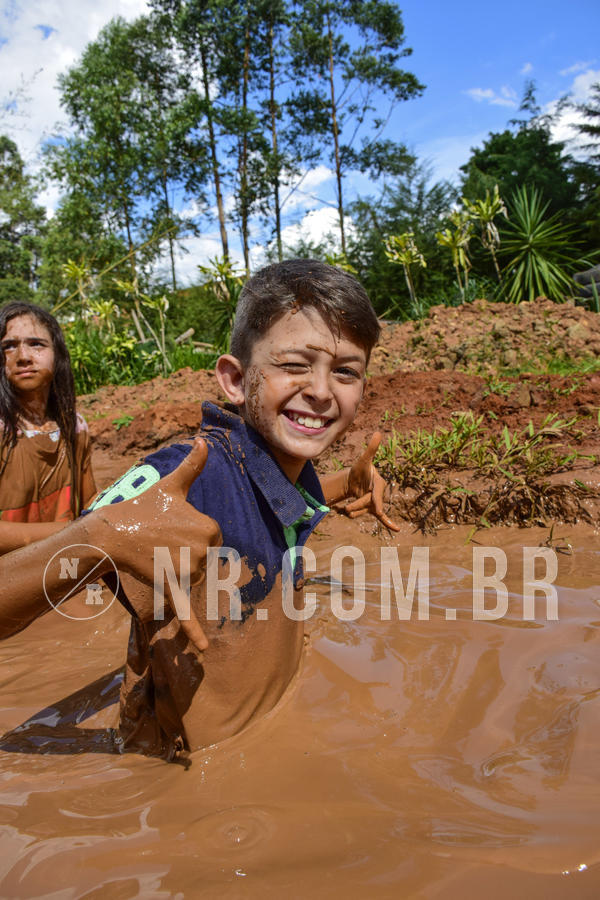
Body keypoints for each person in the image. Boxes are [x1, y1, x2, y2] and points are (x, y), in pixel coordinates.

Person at [0, 260, 398, 760]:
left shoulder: (284, 469)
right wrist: (101, 537)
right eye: (295, 365)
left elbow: (264, 502)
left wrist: (343, 485)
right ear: (234, 380)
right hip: (188, 778)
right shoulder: (182, 474)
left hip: (262, 756)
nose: (320, 390)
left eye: (344, 371)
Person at [0, 302, 96, 554]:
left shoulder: (74, 428)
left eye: (36, 344)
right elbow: (88, 521)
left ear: (58, 355)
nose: (23, 357)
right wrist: (74, 530)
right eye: (9, 346)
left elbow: (91, 504)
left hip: (63, 571)